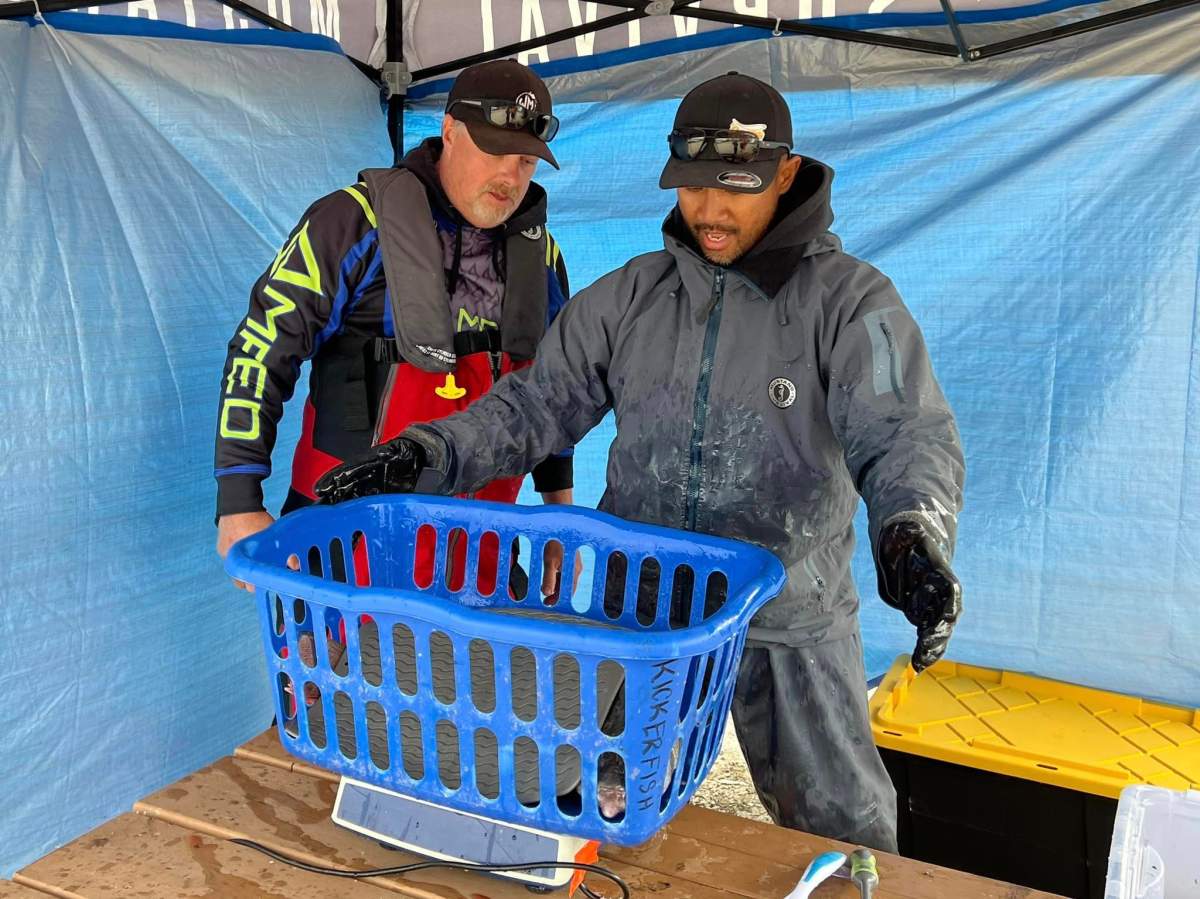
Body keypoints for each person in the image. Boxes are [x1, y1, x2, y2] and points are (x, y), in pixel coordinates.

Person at [314, 72, 965, 851]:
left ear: (786, 175)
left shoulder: (850, 302)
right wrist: (423, 454)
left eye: (735, 190)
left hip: (790, 616)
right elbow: (532, 408)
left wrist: (910, 532)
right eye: (693, 187)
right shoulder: (631, 298)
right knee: (608, 811)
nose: (711, 212)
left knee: (843, 827)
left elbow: (904, 433)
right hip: (644, 619)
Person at [213, 60, 575, 594]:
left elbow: (550, 392)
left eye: (525, 161)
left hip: (484, 561)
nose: (510, 176)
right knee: (323, 678)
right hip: (341, 553)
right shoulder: (352, 222)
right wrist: (238, 502)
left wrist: (558, 515)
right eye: (494, 151)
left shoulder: (540, 255)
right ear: (449, 131)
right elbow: (260, 350)